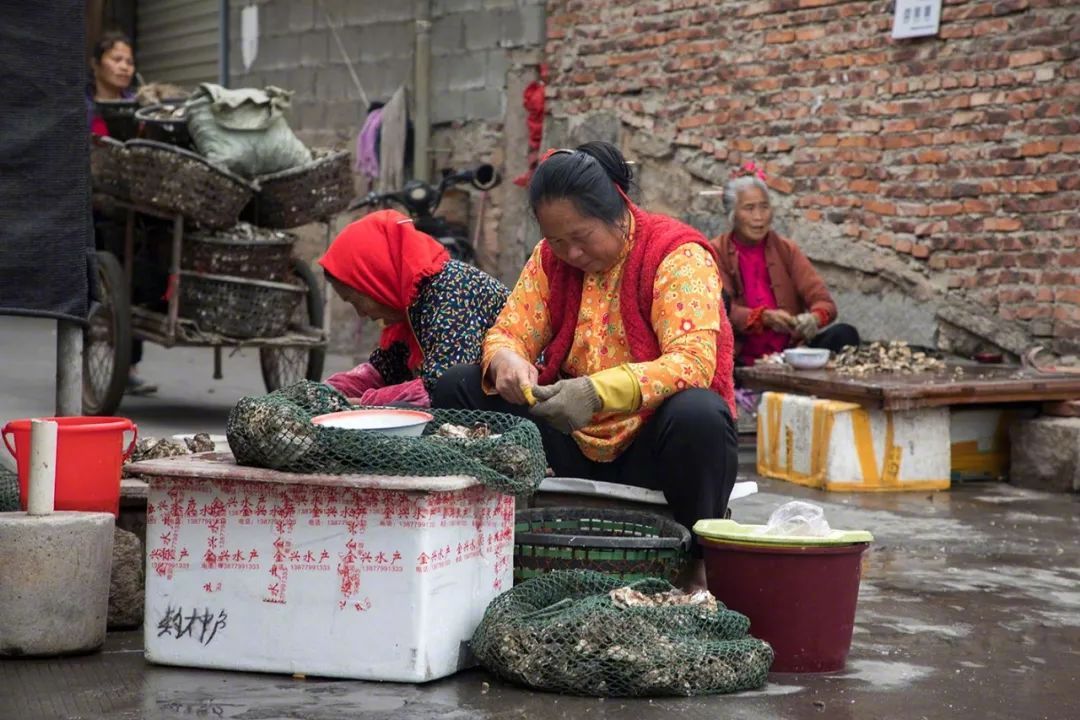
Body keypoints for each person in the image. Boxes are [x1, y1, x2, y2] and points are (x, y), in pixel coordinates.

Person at [433, 142, 738, 590]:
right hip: (569, 441)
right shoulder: (549, 259)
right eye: (558, 241)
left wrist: (597, 393)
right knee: (458, 386)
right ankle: (487, 538)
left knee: (700, 414)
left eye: (582, 236)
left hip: (649, 446)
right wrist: (507, 362)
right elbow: (508, 331)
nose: (571, 253)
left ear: (617, 214)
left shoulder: (677, 254)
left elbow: (692, 362)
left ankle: (696, 561)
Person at [320, 209, 509, 405]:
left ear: (376, 280)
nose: (361, 313)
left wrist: (360, 403)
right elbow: (386, 370)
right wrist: (329, 390)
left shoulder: (450, 290)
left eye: (356, 301)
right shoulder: (412, 305)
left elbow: (438, 388)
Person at [713, 162, 859, 367]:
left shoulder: (786, 249)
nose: (759, 217)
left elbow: (824, 302)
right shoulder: (716, 252)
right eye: (749, 208)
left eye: (764, 207)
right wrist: (764, 318)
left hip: (791, 353)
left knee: (845, 334)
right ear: (732, 214)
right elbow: (721, 311)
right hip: (742, 358)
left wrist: (813, 319)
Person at [87, 31, 135, 137]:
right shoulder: (78, 109)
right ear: (95, 64)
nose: (124, 67)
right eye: (117, 60)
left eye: (130, 62)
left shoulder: (139, 108)